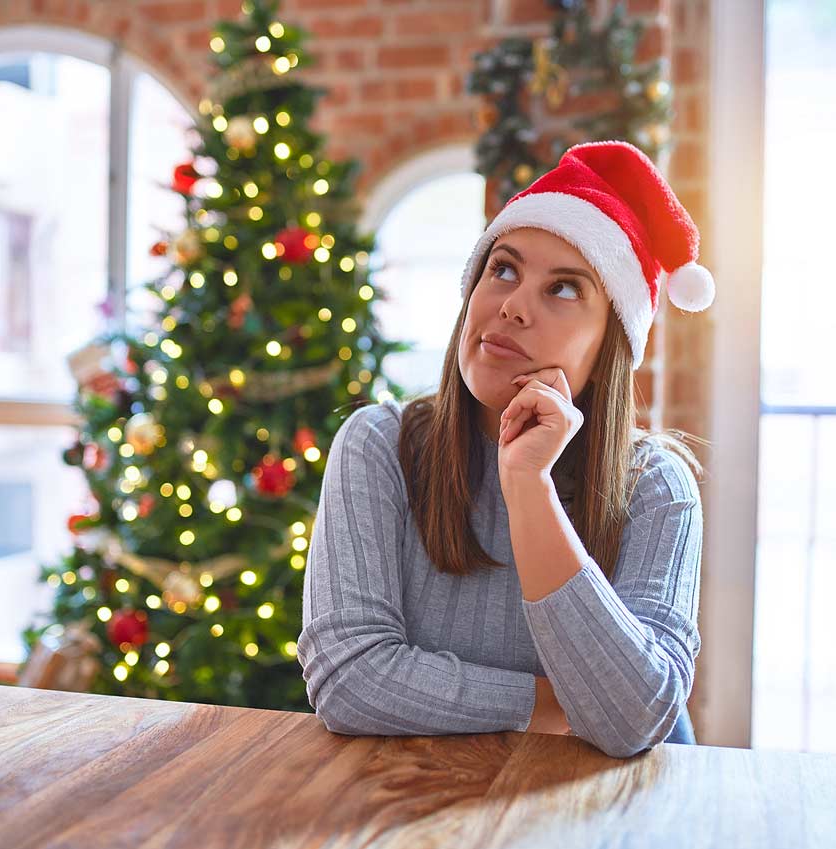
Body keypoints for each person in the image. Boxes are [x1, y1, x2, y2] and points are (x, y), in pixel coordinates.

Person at [296, 140, 715, 758]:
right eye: (505, 269)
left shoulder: (655, 485)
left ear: (608, 351)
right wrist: (553, 706)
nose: (514, 307)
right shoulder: (378, 444)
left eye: (565, 289)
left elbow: (634, 718)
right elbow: (349, 678)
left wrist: (528, 485)